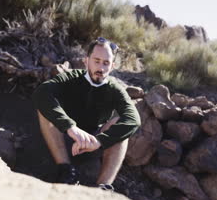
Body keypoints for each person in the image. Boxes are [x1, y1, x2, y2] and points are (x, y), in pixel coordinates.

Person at [33, 37, 141, 190]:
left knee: (121, 127)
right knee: (45, 108)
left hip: (92, 144)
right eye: (96, 61)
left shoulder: (115, 89)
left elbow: (134, 120)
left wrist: (99, 141)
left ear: (112, 66)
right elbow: (41, 93)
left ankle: (102, 187)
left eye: (106, 63)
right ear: (86, 61)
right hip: (64, 139)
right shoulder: (71, 77)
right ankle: (66, 171)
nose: (101, 68)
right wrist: (70, 127)